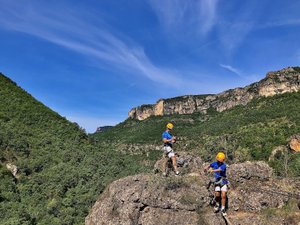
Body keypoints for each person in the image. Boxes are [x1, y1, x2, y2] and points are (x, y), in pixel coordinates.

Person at [204, 152, 228, 216]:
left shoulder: (224, 165)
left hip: (223, 181)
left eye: (220, 161)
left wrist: (212, 171)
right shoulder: (215, 163)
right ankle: (217, 204)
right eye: (218, 161)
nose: (219, 162)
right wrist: (207, 167)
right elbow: (210, 165)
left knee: (223, 195)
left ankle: (223, 208)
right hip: (217, 181)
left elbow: (220, 169)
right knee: (217, 195)